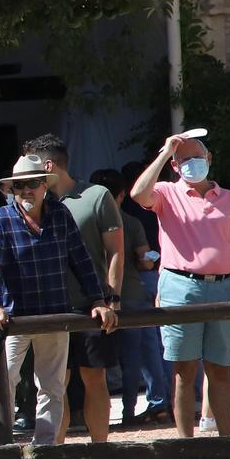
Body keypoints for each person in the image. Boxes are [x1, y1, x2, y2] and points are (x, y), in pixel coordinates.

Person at [0, 155, 118, 447]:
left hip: (55, 312)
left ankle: (45, 448)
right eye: (18, 186)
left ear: (44, 185)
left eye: (32, 184)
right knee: (3, 381)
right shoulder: (1, 218)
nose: (25, 191)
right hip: (13, 317)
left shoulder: (60, 214)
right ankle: (0, 447)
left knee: (53, 386)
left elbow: (81, 259)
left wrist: (98, 298)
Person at [130, 131, 230, 438]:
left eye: (198, 156)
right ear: (176, 166)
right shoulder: (166, 192)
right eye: (184, 159)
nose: (193, 163)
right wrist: (166, 151)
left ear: (209, 159)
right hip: (180, 287)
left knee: (220, 370)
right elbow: (139, 194)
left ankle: (226, 442)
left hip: (224, 288)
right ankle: (186, 443)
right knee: (184, 371)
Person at [28, 134, 123, 442]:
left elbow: (116, 251)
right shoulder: (32, 203)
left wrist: (113, 298)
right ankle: (56, 454)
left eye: (31, 165)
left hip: (91, 304)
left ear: (48, 165)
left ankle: (101, 450)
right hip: (49, 308)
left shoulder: (97, 195)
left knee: (95, 378)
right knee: (54, 384)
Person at [96, 167, 170, 425]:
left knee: (124, 359)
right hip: (133, 292)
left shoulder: (88, 221)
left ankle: (128, 411)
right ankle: (158, 404)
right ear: (122, 194)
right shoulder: (130, 221)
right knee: (148, 353)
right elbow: (146, 260)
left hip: (99, 297)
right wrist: (148, 259)